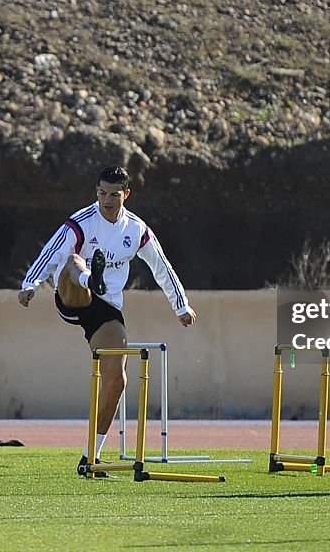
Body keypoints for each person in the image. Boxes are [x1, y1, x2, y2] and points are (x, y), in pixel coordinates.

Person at [18, 165, 197, 476]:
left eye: (114, 194)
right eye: (102, 193)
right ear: (96, 192)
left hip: (106, 308)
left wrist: (180, 305)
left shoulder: (137, 229)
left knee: (118, 380)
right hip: (72, 294)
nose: (107, 200)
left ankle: (91, 457)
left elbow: (161, 266)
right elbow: (50, 251)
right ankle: (91, 278)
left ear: (126, 194)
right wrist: (30, 285)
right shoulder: (81, 221)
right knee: (73, 260)